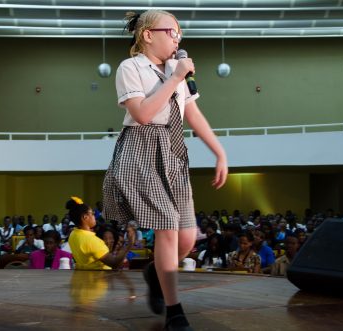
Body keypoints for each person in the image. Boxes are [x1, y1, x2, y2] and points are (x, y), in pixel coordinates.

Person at [102, 10, 227, 331]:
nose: (178, 39)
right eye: (172, 32)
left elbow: (192, 112)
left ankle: (153, 273)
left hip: (173, 152)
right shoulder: (131, 68)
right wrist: (174, 78)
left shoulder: (178, 73)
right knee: (168, 229)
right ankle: (175, 312)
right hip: (141, 150)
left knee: (187, 237)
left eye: (179, 34)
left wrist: (219, 151)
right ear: (147, 35)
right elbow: (142, 114)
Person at [67, 197, 135, 270]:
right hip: (99, 279)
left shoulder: (73, 234)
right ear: (85, 217)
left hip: (82, 278)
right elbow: (114, 264)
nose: (94, 216)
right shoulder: (92, 241)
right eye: (92, 214)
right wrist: (129, 244)